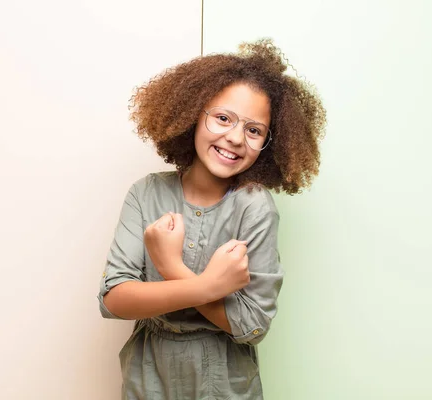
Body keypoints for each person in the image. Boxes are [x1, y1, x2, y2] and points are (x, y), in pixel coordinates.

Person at [97, 38, 326, 399]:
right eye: (223, 118)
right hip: (148, 378)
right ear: (193, 114)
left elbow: (252, 326)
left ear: (270, 142)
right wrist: (207, 287)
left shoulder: (255, 207)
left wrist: (172, 268)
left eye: (254, 130)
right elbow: (113, 301)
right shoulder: (146, 193)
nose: (235, 138)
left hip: (224, 383)